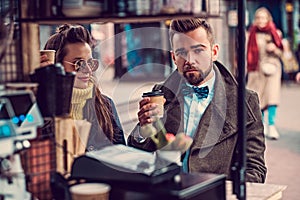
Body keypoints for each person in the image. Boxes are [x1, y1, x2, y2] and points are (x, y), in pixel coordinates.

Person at [128, 18, 267, 183]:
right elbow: (136, 152)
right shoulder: (161, 94)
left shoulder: (245, 101)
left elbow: (254, 168)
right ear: (173, 57)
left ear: (214, 52)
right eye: (181, 52)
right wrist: (144, 129)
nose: (190, 60)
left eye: (198, 50)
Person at [41, 24, 126, 150]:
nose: (88, 70)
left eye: (91, 63)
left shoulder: (105, 105)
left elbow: (123, 155)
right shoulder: (42, 109)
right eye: (78, 63)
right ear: (56, 66)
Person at [246, 7, 283, 140]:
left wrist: (274, 49)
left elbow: (282, 52)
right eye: (258, 18)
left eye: (263, 18)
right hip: (256, 70)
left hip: (272, 69)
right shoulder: (250, 34)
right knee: (257, 98)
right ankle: (261, 125)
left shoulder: (275, 33)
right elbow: (246, 53)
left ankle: (271, 125)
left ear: (268, 19)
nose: (261, 21)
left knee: (272, 98)